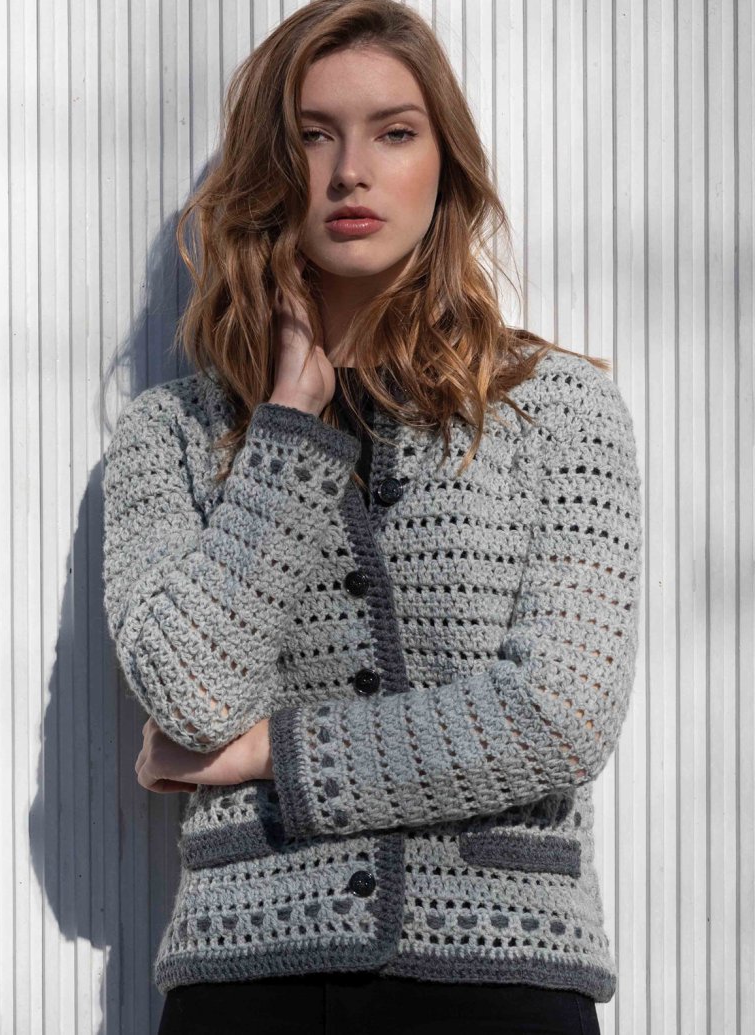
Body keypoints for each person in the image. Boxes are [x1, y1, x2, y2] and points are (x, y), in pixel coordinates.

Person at [101, 2, 643, 1032]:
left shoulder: (559, 411)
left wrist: (272, 751)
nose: (350, 171)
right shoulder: (170, 434)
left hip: (500, 976)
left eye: (393, 132)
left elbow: (558, 716)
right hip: (247, 974)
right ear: (267, 169)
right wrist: (286, 426)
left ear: (444, 164)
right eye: (313, 135)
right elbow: (191, 699)